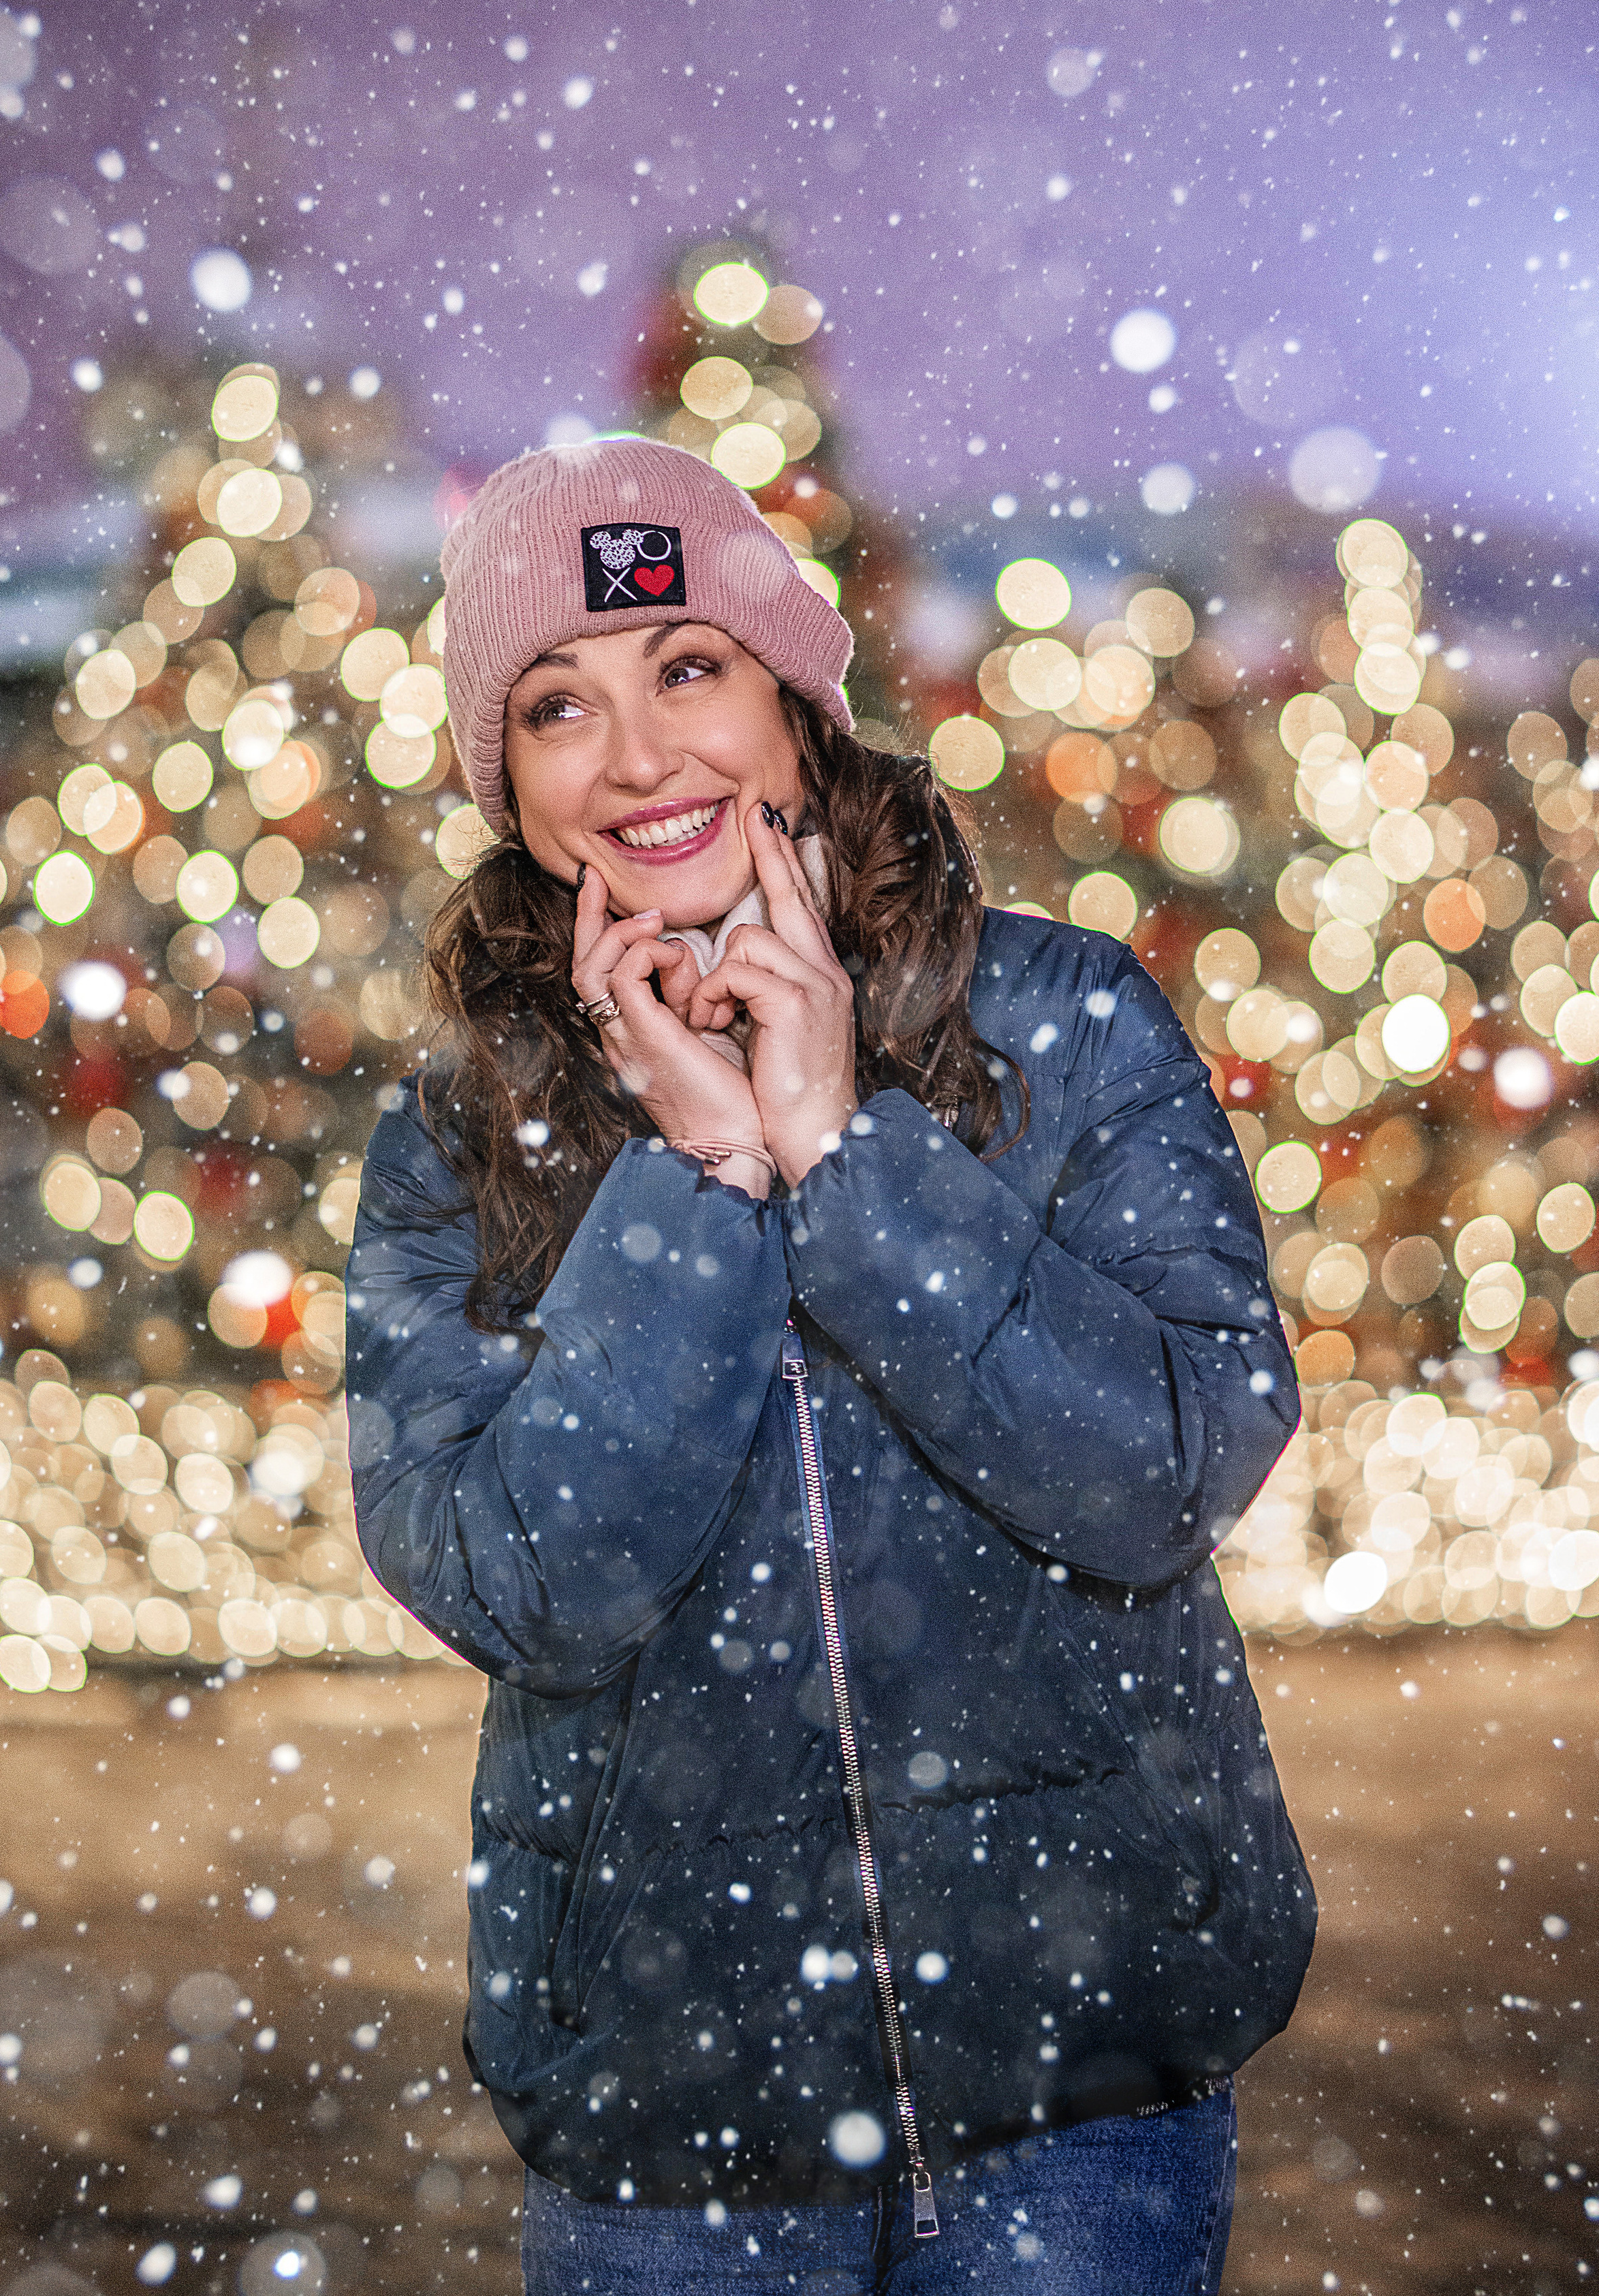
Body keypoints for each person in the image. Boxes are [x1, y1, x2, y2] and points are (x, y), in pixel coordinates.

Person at [345, 439, 1316, 2293]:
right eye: (558, 707)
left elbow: (1171, 1464)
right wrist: (702, 1180)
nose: (636, 759)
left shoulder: (1070, 1022)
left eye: (687, 669)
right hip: (673, 2117)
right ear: (513, 782)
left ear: (798, 705)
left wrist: (846, 1154)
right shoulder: (456, 1133)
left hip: (1084, 2084)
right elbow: (522, 1582)